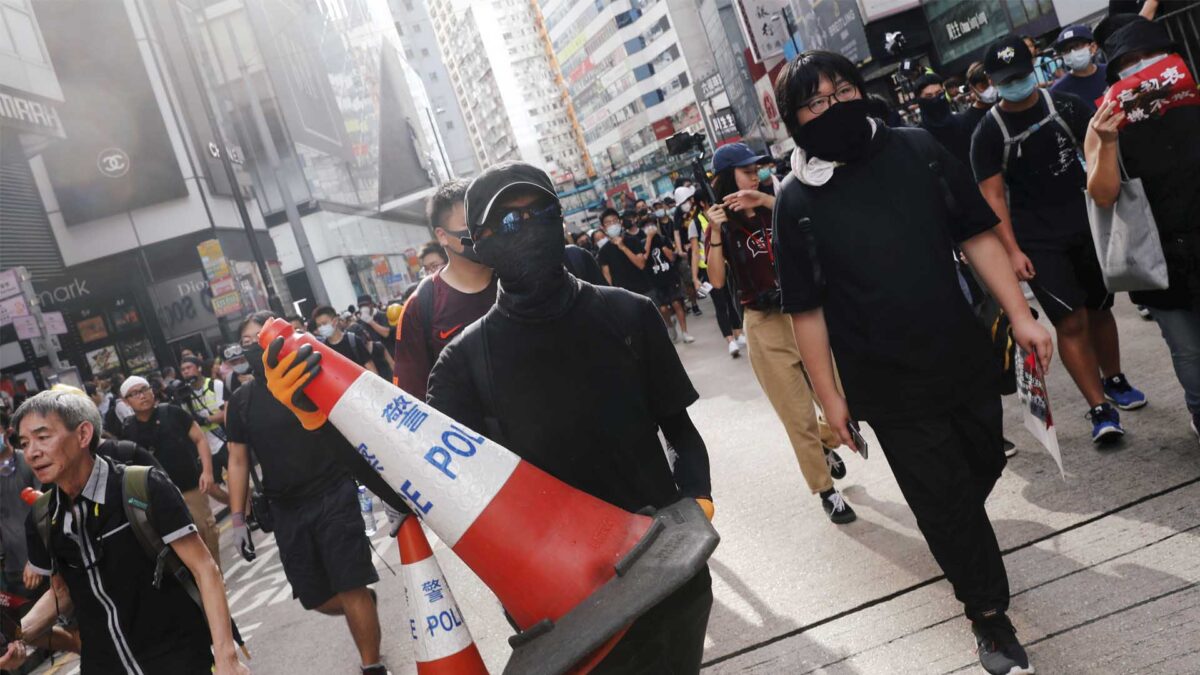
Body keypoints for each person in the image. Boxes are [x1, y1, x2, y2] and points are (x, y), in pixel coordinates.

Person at [772, 50, 1055, 675]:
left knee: (978, 461)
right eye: (815, 102)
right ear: (796, 120)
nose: (833, 107)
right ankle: (988, 615)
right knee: (944, 500)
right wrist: (830, 396)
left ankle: (959, 536)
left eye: (842, 90)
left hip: (959, 351)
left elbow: (976, 234)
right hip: (885, 381)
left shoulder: (918, 149)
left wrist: (1020, 314)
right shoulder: (795, 201)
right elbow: (807, 311)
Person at [421, 161, 713, 672]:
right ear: (480, 243)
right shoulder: (463, 364)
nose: (528, 228)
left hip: (666, 577)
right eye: (509, 222)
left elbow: (682, 434)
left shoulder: (629, 315)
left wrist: (695, 507)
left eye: (541, 213)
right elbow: (425, 485)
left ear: (560, 222)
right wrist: (323, 418)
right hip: (564, 607)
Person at [974, 34, 1146, 444]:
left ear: (1032, 68)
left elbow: (1101, 156)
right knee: (1071, 322)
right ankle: (1099, 408)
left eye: (1019, 74)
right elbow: (992, 197)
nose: (1014, 83)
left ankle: (1115, 379)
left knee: (1101, 309)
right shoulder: (988, 133)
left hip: (1087, 226)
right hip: (1038, 242)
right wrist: (1012, 251)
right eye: (1005, 78)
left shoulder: (1067, 106)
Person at [5, 390, 247, 674]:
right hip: (104, 665)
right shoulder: (43, 516)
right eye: (24, 442)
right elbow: (63, 593)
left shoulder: (142, 487)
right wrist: (18, 635)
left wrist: (226, 655)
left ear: (83, 434)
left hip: (176, 657)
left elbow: (205, 568)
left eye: (43, 437)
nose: (32, 452)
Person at [226, 312, 390, 675]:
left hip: (333, 491)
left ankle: (372, 666)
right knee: (314, 598)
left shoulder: (308, 374)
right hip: (286, 509)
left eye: (262, 338)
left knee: (350, 584)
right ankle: (362, 603)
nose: (256, 348)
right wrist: (238, 518)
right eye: (249, 343)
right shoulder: (240, 402)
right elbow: (237, 460)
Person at [704, 142, 854, 523]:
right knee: (796, 416)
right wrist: (717, 232)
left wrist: (768, 202)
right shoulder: (720, 223)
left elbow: (819, 228)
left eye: (757, 168)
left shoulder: (779, 202)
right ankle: (826, 490)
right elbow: (717, 280)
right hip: (764, 324)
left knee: (840, 403)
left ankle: (826, 442)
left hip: (803, 313)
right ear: (725, 179)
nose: (755, 175)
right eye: (745, 171)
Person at [1086, 17, 1200, 439]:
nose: (1142, 68)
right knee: (1188, 349)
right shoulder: (1103, 124)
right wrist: (1108, 142)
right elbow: (1101, 195)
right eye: (1130, 62)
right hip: (1161, 257)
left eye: (1151, 57)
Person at [394, 179, 498, 401]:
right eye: (468, 224)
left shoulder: (514, 275)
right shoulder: (420, 306)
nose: (481, 230)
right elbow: (412, 396)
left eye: (484, 220)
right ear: (442, 235)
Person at [118, 376, 223, 567]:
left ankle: (215, 578)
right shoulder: (128, 429)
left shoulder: (172, 412)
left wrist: (207, 472)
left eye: (145, 389)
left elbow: (200, 439)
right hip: (159, 496)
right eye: (135, 393)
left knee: (205, 530)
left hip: (190, 486)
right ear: (126, 401)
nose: (142, 396)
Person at [683, 186, 745, 357]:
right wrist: (695, 277)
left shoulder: (723, 215)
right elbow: (695, 252)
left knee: (733, 300)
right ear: (702, 203)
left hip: (728, 266)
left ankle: (738, 333)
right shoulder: (695, 224)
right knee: (720, 305)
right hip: (709, 271)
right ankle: (729, 339)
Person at [178, 355, 230, 504]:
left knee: (236, 479)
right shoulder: (184, 394)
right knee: (210, 487)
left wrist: (206, 419)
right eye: (183, 370)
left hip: (223, 440)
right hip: (205, 447)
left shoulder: (215, 385)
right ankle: (239, 506)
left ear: (199, 368)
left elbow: (227, 413)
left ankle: (245, 512)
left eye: (189, 368)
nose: (186, 372)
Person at [644, 214, 695, 344]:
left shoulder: (663, 239)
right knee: (663, 309)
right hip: (655, 280)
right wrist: (649, 240)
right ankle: (670, 326)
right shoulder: (642, 243)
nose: (650, 228)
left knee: (677, 303)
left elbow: (672, 257)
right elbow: (643, 259)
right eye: (646, 226)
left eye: (652, 224)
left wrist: (664, 248)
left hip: (671, 277)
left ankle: (685, 332)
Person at [0, 424, 39, 597]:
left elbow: (45, 510)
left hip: (36, 563)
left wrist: (36, 559)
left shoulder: (29, 461)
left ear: (8, 431)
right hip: (9, 566)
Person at [914, 72, 975, 169]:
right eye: (929, 96)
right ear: (920, 100)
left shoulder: (963, 122)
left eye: (939, 94)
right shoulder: (918, 138)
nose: (936, 99)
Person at [597, 207, 653, 296]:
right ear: (603, 228)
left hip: (644, 289)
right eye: (608, 223)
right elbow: (607, 277)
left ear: (620, 222)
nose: (612, 224)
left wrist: (623, 247)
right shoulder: (603, 251)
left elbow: (641, 264)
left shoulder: (633, 241)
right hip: (624, 296)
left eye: (615, 221)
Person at [1050, 24, 1106, 110]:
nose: (1072, 53)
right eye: (1066, 50)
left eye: (1076, 46)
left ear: (1093, 47)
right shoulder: (1058, 91)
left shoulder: (1109, 70)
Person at [312, 305, 379, 375]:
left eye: (324, 323)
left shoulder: (353, 341)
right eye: (319, 325)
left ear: (335, 321)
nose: (321, 328)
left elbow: (371, 369)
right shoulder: (324, 349)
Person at [962, 61, 996, 134]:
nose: (991, 88)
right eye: (984, 86)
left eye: (992, 82)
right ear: (972, 88)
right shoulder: (968, 119)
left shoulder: (1005, 103)